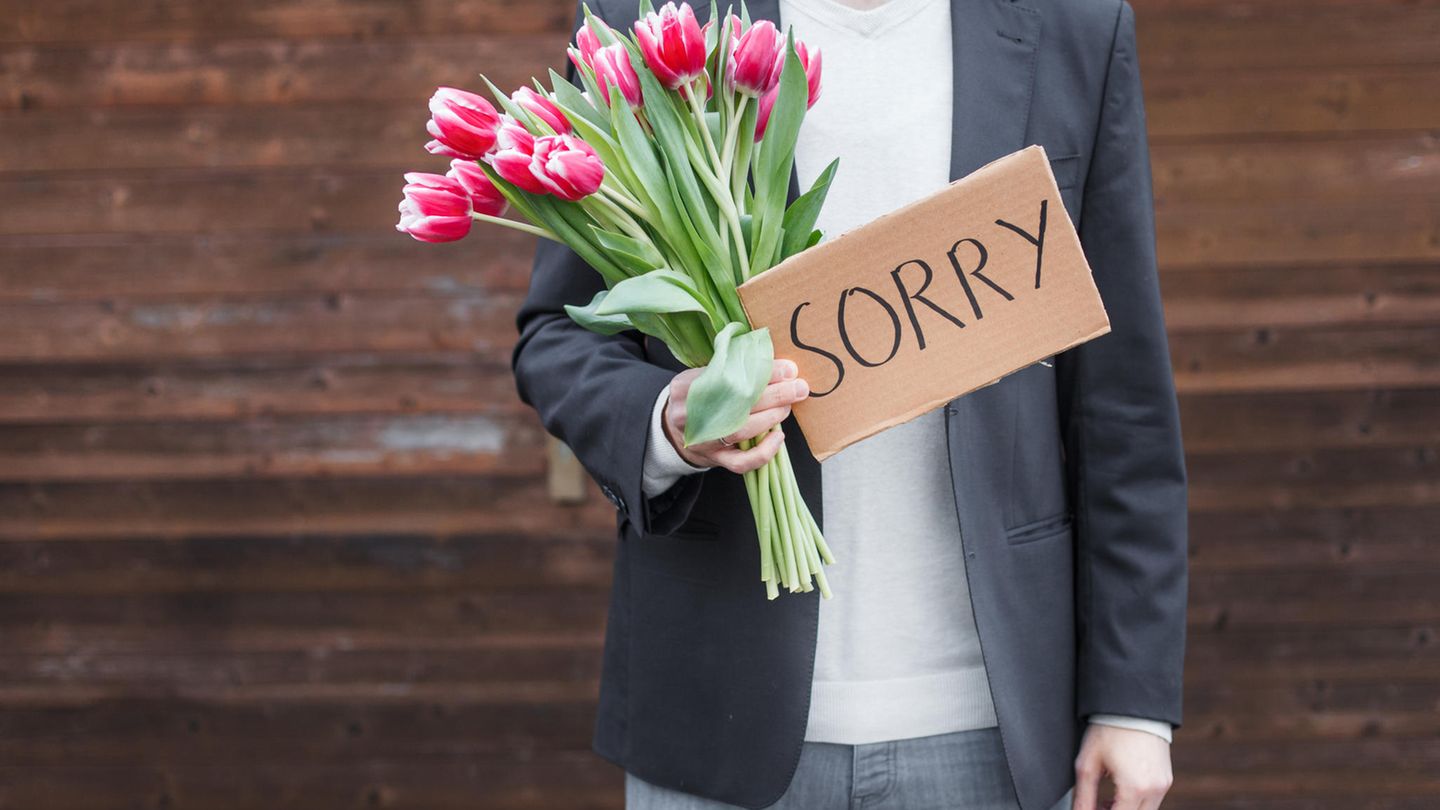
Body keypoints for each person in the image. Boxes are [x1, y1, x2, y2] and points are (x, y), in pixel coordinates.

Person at [510, 0, 1188, 808]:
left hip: (995, 726)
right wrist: (666, 418)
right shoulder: (655, 26)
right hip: (720, 721)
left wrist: (1134, 702)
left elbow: (1124, 405)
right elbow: (557, 335)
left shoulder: (1073, 28)